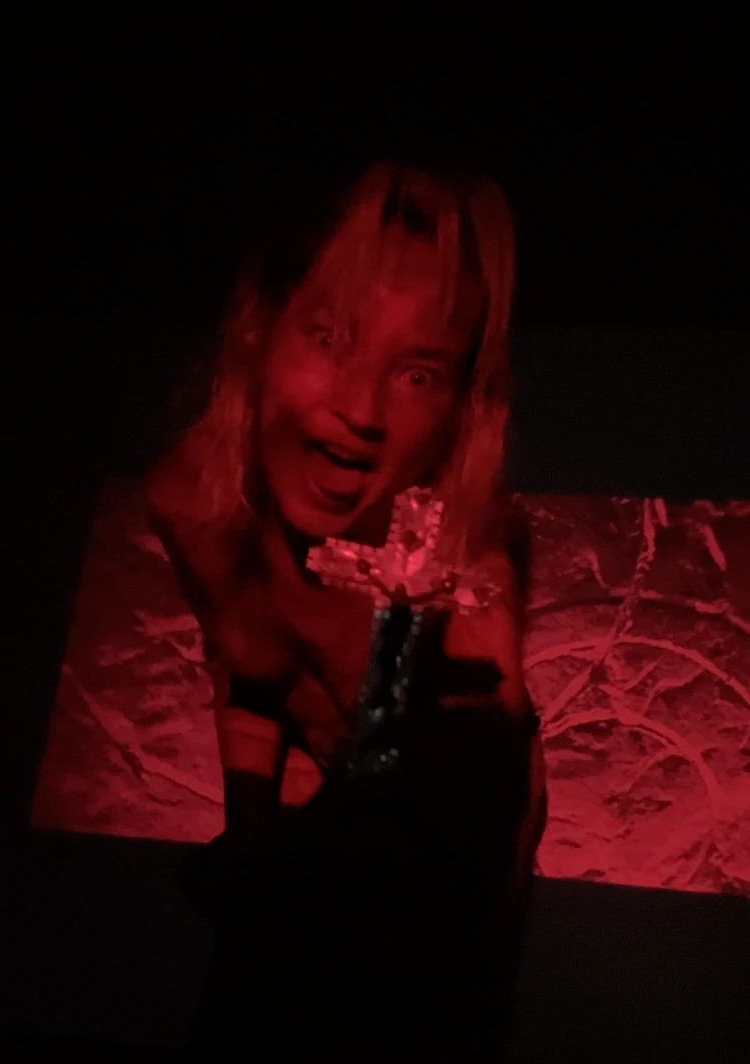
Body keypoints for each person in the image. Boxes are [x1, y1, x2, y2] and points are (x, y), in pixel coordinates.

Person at [146, 160, 548, 1060]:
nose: (359, 410)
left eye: (417, 374)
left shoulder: (463, 573)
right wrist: (248, 830)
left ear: (460, 407)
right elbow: (245, 664)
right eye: (328, 336)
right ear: (259, 325)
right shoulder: (190, 507)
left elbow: (465, 828)